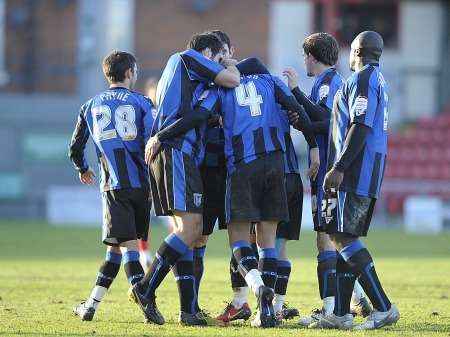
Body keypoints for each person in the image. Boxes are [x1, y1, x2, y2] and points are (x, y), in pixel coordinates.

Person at [129, 32, 240, 326]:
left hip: (178, 152)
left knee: (187, 231)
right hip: (177, 151)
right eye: (216, 58)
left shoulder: (191, 79)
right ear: (205, 52)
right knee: (190, 228)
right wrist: (228, 64)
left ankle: (188, 310)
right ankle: (145, 287)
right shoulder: (187, 58)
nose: (217, 65)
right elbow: (233, 80)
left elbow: (198, 112)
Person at [213, 70, 320, 327]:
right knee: (272, 244)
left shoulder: (224, 87)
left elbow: (204, 114)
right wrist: (314, 145)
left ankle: (249, 296)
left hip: (247, 165)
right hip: (284, 170)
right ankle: (272, 310)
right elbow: (300, 112)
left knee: (241, 240)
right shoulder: (272, 89)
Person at [310, 31, 399, 330]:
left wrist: (338, 167)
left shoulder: (363, 78)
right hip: (365, 169)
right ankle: (340, 314)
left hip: (354, 170)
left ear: (358, 51)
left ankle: (383, 306)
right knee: (341, 234)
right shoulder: (378, 79)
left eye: (351, 49)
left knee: (343, 237)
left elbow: (359, 126)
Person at [283, 32, 371, 326]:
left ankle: (333, 307)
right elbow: (317, 121)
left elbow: (326, 120)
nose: (303, 60)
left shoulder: (329, 83)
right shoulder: (327, 83)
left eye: (305, 55)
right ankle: (356, 296)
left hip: (330, 171)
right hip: (325, 168)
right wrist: (304, 125)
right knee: (332, 238)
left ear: (312, 56)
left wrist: (295, 95)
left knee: (326, 240)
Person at [69, 51, 154, 321]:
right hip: (142, 186)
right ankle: (90, 306)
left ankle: (145, 301)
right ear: (129, 72)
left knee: (127, 246)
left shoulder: (90, 105)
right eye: (136, 71)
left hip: (114, 186)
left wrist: (83, 168)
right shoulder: (143, 103)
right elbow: (153, 141)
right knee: (117, 249)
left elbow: (74, 147)